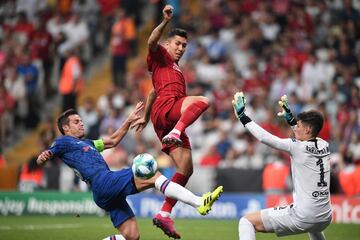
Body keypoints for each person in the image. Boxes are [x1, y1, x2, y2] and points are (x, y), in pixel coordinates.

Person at [36, 103, 223, 240]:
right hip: (102, 181)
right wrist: (44, 157)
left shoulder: (88, 144)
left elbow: (113, 141)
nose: (81, 124)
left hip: (103, 190)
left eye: (81, 120)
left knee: (132, 237)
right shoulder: (63, 142)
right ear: (65, 128)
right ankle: (199, 202)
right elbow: (48, 154)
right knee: (152, 175)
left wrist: (128, 119)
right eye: (76, 122)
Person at [133, 5, 210, 238]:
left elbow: (152, 93)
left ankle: (164, 214)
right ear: (167, 45)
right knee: (203, 100)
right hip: (169, 110)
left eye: (184, 46)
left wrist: (146, 117)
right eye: (177, 43)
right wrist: (165, 22)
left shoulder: (174, 69)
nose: (181, 48)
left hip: (165, 115)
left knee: (186, 168)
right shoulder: (159, 55)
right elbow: (150, 42)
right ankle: (177, 131)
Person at [232, 92, 332, 240]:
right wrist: (292, 121)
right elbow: (307, 138)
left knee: (246, 221)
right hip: (325, 216)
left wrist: (243, 117)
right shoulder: (325, 144)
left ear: (308, 130)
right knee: (314, 228)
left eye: (298, 126)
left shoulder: (297, 147)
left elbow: (265, 138)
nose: (295, 128)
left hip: (303, 216)